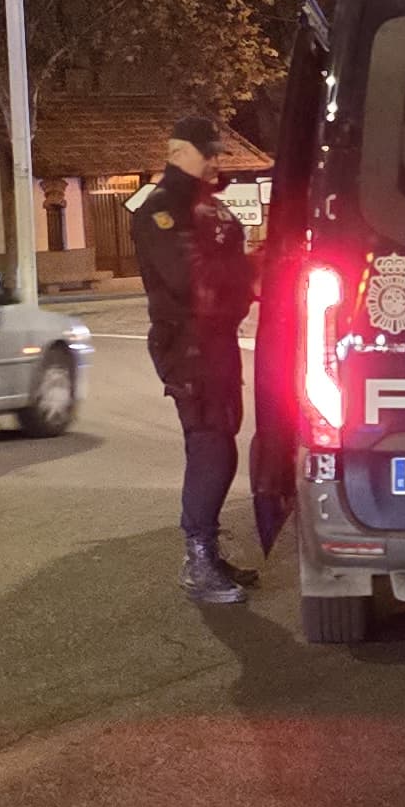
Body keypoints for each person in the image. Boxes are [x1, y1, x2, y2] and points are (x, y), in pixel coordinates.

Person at [131, 111, 257, 603]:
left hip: (216, 339)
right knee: (211, 444)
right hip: (187, 343)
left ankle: (207, 551)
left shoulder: (211, 208)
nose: (214, 163)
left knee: (219, 439)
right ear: (179, 151)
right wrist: (247, 275)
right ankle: (198, 559)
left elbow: (231, 277)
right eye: (208, 153)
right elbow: (190, 281)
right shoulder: (161, 210)